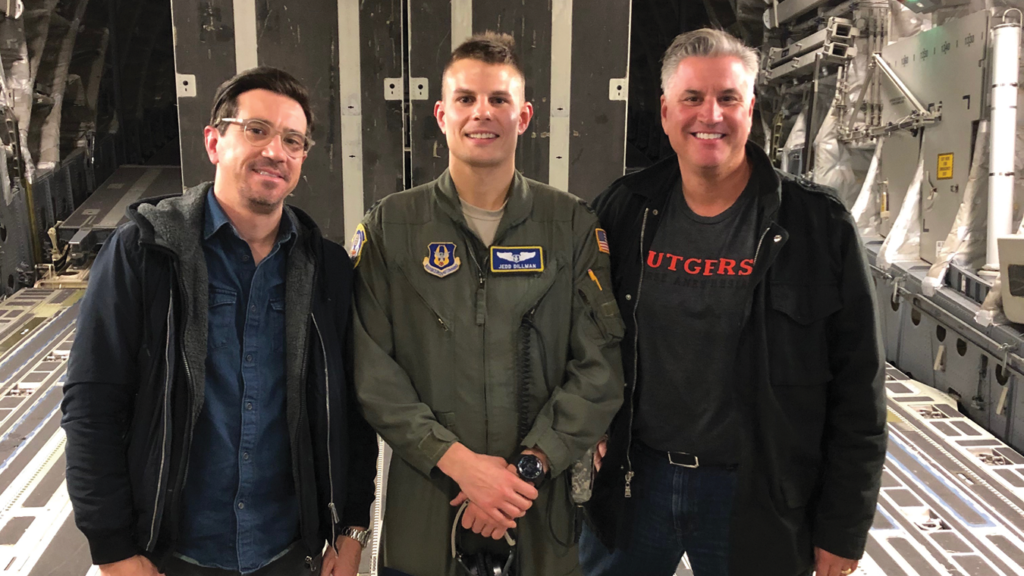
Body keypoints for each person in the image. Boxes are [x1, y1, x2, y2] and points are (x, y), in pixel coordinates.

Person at [580, 29, 887, 576]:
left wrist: (843, 529)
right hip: (637, 482)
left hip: (757, 493)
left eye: (727, 98)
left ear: (751, 109)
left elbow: (858, 391)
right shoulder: (625, 211)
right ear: (666, 111)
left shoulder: (816, 226)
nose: (710, 115)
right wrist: (594, 422)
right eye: (693, 98)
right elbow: (580, 330)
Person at [62, 67, 378, 576]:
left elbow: (350, 411)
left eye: (292, 140)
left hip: (289, 554)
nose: (275, 150)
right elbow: (92, 403)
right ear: (214, 141)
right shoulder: (145, 252)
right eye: (257, 130)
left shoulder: (327, 268)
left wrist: (354, 528)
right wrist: (113, 548)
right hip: (171, 557)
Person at [351, 32, 625, 575]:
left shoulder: (570, 225)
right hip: (428, 507)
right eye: (466, 99)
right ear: (441, 114)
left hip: (538, 511)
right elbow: (370, 370)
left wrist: (525, 472)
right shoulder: (391, 227)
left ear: (524, 116)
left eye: (499, 99)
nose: (483, 113)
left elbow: (600, 367)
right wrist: (460, 466)